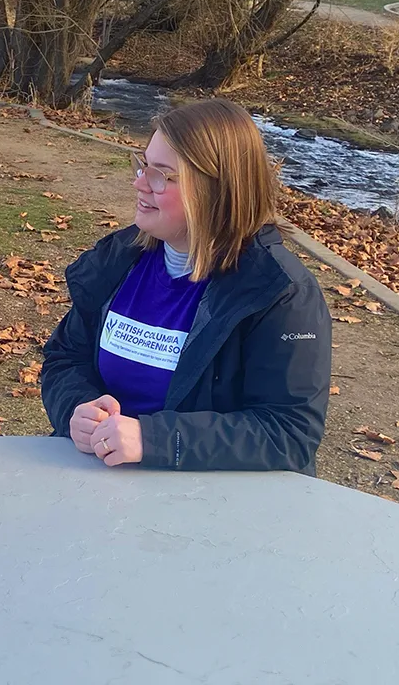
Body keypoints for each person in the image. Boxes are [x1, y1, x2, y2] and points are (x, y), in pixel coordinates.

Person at [41, 99, 331, 474]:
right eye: (143, 165)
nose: (139, 183)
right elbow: (65, 357)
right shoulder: (117, 260)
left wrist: (155, 440)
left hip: (213, 509)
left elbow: (288, 432)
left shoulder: (280, 294)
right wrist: (76, 409)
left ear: (214, 190)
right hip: (99, 482)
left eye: (160, 174)